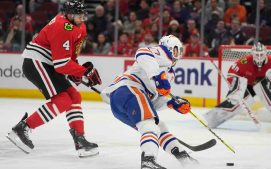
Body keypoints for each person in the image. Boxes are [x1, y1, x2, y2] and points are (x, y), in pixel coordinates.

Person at [6, 0, 102, 158]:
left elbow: (69, 57)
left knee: (74, 96)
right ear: (68, 14)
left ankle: (80, 139)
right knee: (63, 100)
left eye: (82, 14)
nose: (81, 17)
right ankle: (22, 128)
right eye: (77, 14)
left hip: (49, 64)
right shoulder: (62, 26)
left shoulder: (80, 27)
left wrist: (77, 71)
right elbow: (61, 64)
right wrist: (84, 72)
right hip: (36, 62)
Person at [101, 35, 198, 169]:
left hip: (123, 102)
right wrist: (156, 75)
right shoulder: (161, 53)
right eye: (175, 50)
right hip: (129, 89)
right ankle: (148, 160)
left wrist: (172, 103)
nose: (178, 55)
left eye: (180, 51)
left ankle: (182, 156)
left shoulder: (170, 74)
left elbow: (154, 101)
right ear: (168, 48)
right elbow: (142, 52)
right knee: (150, 126)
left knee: (159, 126)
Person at [203, 42, 271, 131]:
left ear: (265, 53)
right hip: (249, 85)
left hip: (267, 86)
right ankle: (213, 118)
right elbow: (232, 74)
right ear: (252, 54)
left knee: (270, 95)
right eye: (256, 54)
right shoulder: (245, 61)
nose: (259, 57)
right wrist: (236, 88)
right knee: (239, 99)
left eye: (261, 54)